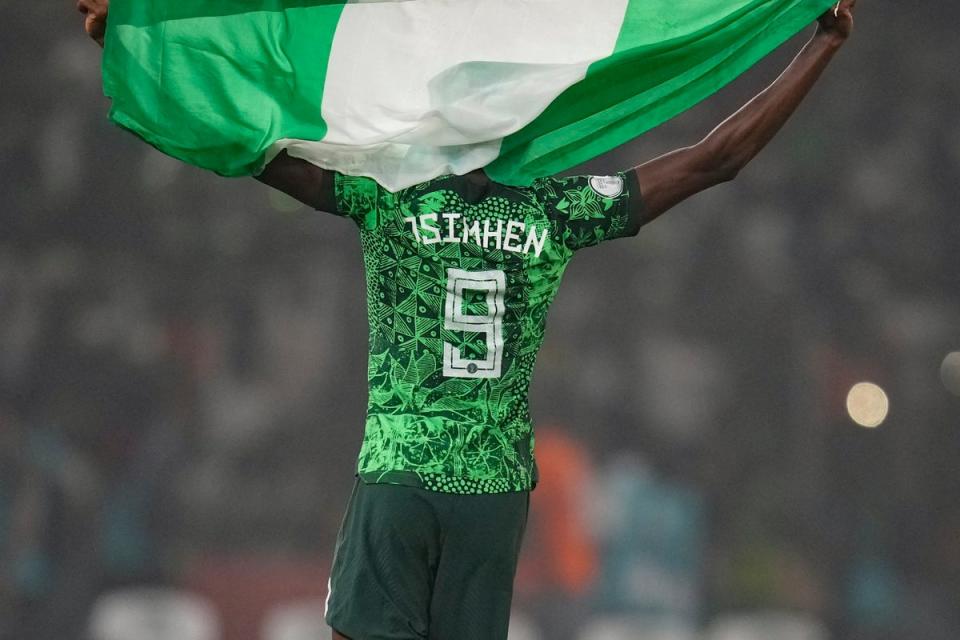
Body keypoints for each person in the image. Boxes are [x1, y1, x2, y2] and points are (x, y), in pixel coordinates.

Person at [76, 1, 857, 638]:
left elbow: (254, 148)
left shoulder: (387, 201)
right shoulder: (556, 214)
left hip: (400, 472)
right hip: (492, 490)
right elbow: (716, 158)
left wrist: (135, 43)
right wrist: (820, 42)